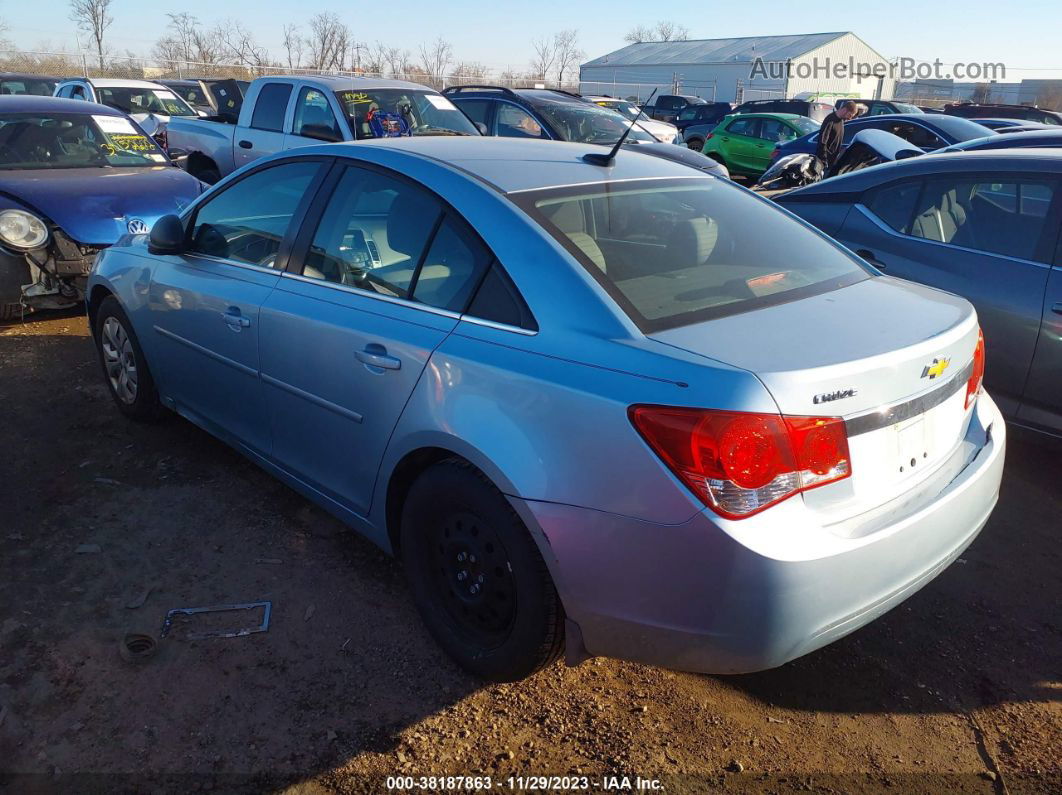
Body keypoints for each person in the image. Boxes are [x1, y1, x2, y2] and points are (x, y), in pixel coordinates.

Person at [816, 100, 859, 170]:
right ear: (845, 110)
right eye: (850, 115)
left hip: (833, 161)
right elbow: (822, 141)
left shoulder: (841, 121)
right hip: (825, 162)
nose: (850, 118)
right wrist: (823, 159)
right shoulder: (830, 120)